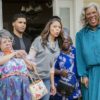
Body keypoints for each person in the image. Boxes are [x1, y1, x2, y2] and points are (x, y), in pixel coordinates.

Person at [28, 17, 64, 100]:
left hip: (46, 79)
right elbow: (30, 58)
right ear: (49, 27)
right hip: (34, 78)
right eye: (55, 27)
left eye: (59, 27)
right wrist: (34, 70)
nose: (57, 29)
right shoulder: (39, 40)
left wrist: (52, 84)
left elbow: (52, 66)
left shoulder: (57, 44)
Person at [76, 3, 100, 100]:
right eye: (88, 14)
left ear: (98, 14)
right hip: (90, 75)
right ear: (85, 17)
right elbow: (79, 57)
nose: (92, 16)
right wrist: (83, 75)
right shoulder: (80, 35)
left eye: (94, 12)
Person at [0, 29, 32, 100]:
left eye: (9, 41)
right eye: (4, 42)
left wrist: (24, 57)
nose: (8, 43)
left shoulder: (18, 53)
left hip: (23, 88)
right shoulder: (2, 55)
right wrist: (14, 53)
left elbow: (31, 67)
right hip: (8, 91)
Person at [53, 35, 81, 100]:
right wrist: (60, 72)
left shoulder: (75, 51)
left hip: (74, 87)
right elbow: (49, 69)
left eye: (67, 39)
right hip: (60, 88)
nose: (65, 41)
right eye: (63, 40)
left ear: (70, 41)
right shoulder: (56, 53)